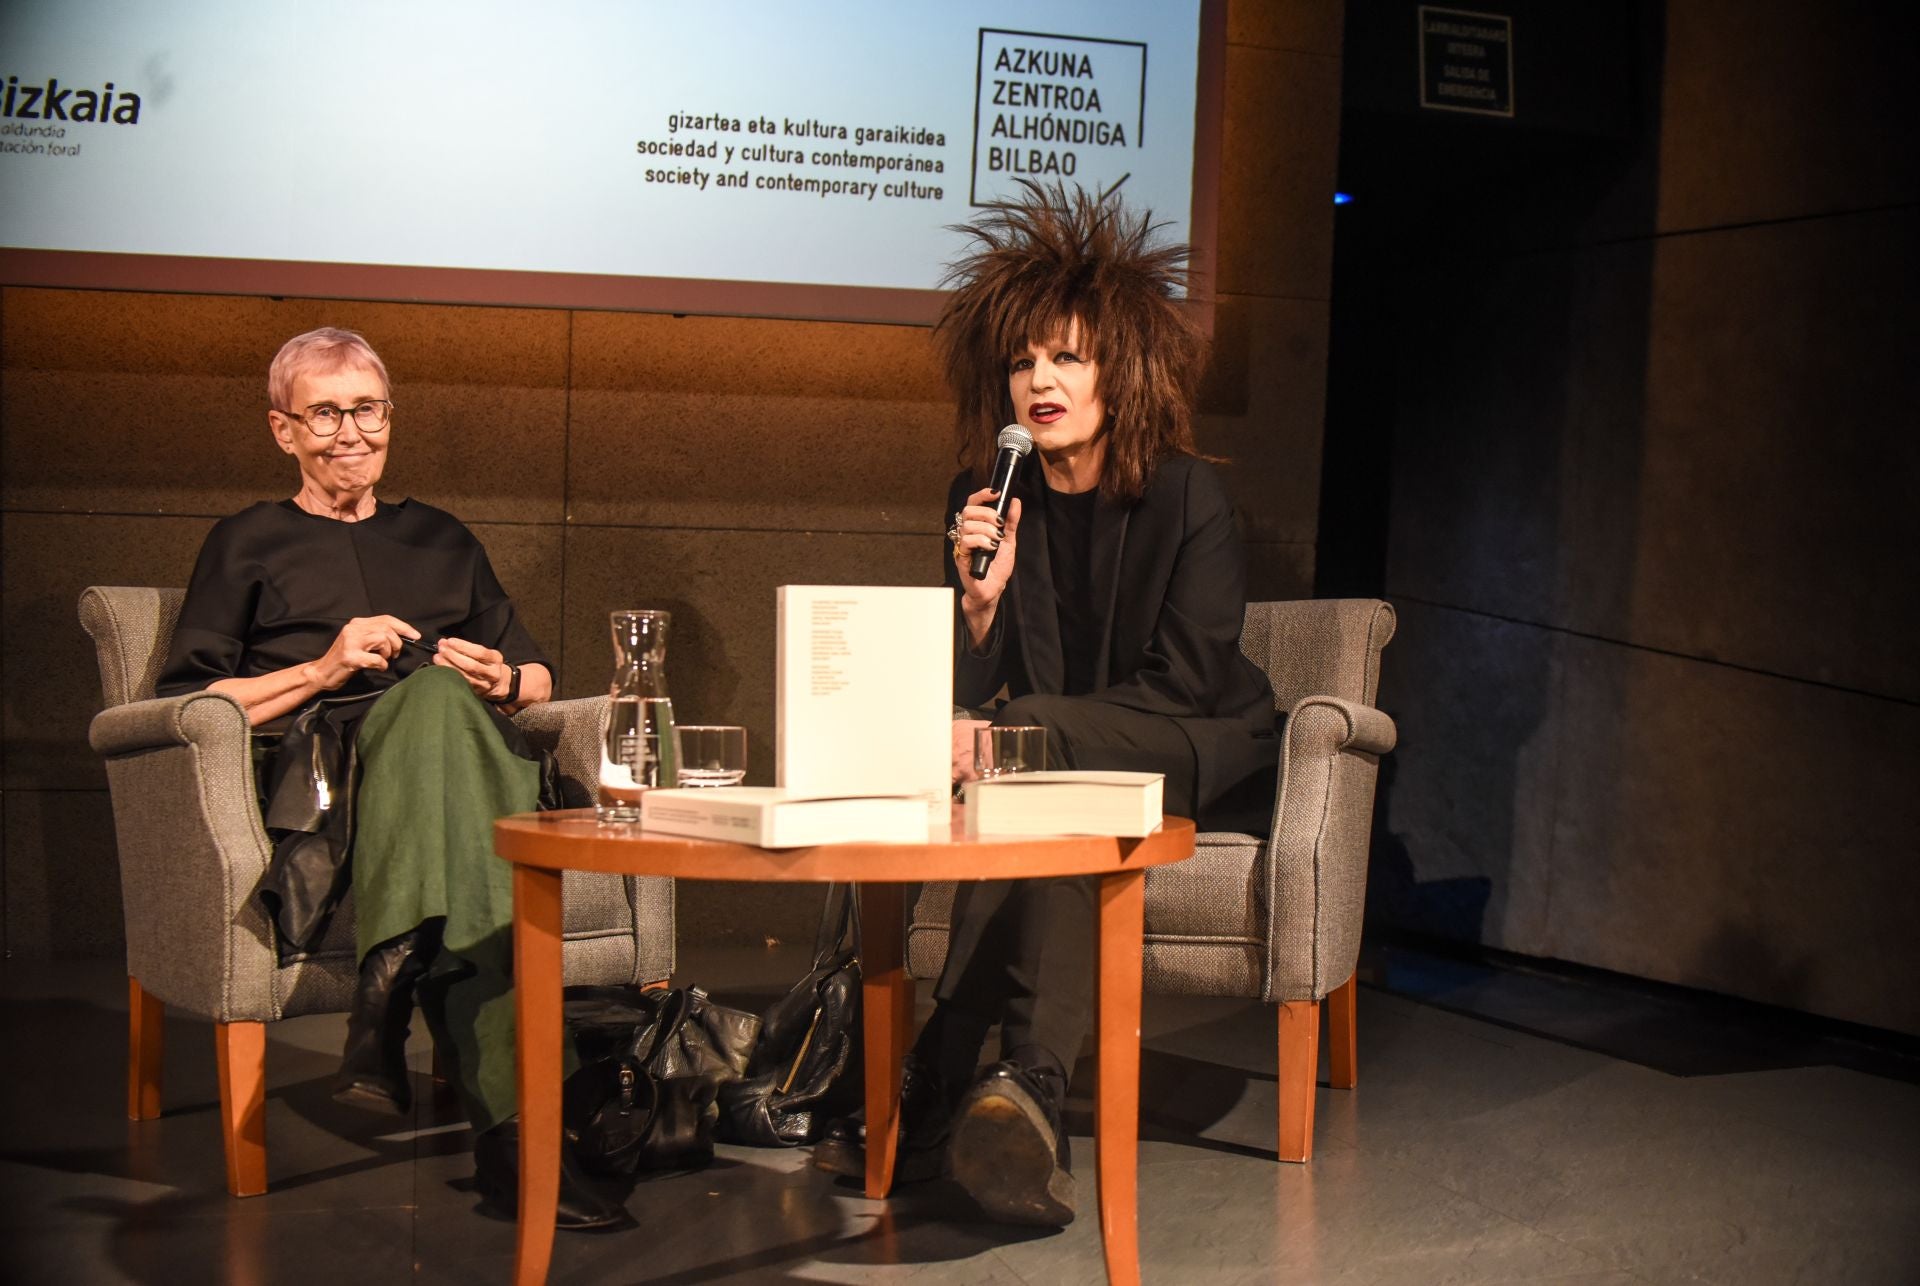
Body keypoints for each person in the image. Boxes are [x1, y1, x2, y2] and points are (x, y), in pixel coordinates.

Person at [814, 183, 1280, 1226]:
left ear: (1121, 368)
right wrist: (979, 610)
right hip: (1069, 773)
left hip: (1201, 743)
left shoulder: (1186, 494)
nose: (1040, 379)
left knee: (1037, 753)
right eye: (1024, 361)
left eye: (1067, 356)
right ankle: (1025, 1088)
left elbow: (1192, 679)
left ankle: (931, 1078)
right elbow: (976, 699)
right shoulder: (985, 499)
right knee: (1055, 802)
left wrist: (1024, 728)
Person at [157, 327, 631, 1231]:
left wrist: (501, 678)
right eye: (324, 413)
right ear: (281, 429)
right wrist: (325, 669)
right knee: (432, 717)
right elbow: (190, 702)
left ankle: (391, 972)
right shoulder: (247, 540)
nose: (350, 433)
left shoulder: (443, 537)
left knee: (448, 704)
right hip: (335, 783)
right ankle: (520, 1144)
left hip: (470, 774)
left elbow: (536, 677)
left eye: (366, 409)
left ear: (390, 419)